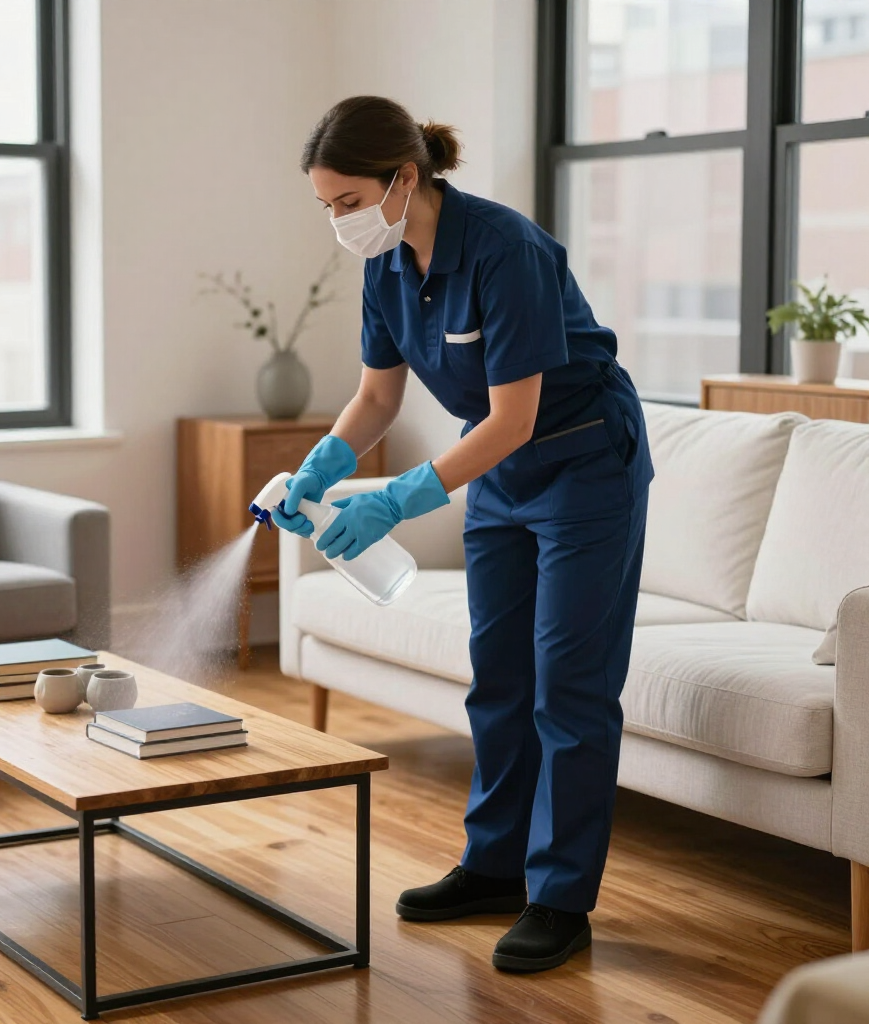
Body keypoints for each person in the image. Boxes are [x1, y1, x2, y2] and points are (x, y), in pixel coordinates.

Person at [273, 95, 654, 974]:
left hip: (584, 464)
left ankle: (560, 898)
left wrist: (397, 499)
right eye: (326, 206)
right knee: (499, 677)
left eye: (347, 201)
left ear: (403, 179)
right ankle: (493, 868)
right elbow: (378, 396)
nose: (338, 221)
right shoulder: (385, 263)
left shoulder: (505, 249)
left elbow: (515, 416)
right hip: (502, 472)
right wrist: (318, 470)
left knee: (570, 686)